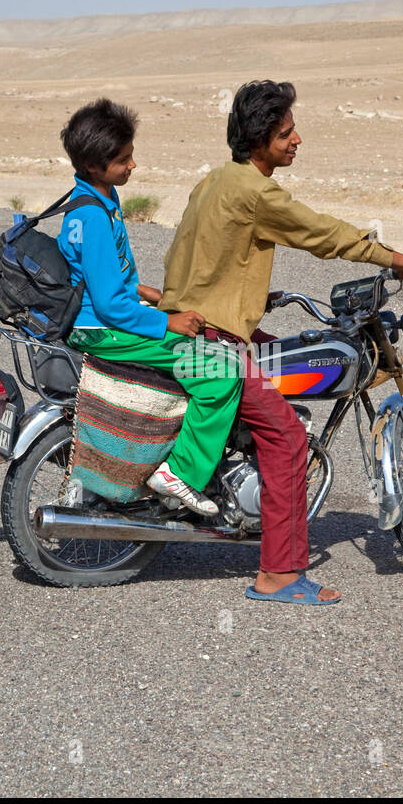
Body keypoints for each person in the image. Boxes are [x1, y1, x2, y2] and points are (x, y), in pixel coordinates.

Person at [160, 80, 403, 605]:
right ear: (261, 138)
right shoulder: (256, 193)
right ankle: (280, 574)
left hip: (193, 324)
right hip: (214, 340)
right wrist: (396, 259)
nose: (297, 140)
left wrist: (252, 297)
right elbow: (322, 234)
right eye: (286, 132)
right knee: (286, 438)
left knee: (283, 363)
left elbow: (200, 255)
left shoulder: (213, 182)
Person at [57, 98, 241, 516]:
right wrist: (168, 321)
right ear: (94, 166)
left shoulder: (94, 200)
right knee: (223, 371)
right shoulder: (96, 218)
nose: (132, 166)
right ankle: (183, 473)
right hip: (103, 330)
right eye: (123, 160)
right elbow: (112, 306)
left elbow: (100, 276)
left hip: (100, 318)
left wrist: (146, 291)